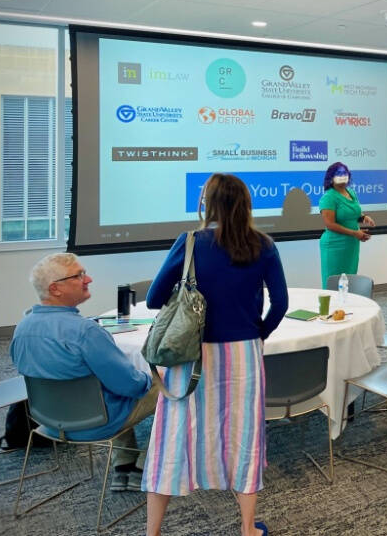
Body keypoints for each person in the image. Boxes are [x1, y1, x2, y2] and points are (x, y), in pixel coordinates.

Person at [143, 173, 288, 536]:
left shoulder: (190, 242)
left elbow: (154, 298)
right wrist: (259, 334)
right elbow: (280, 303)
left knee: (172, 436)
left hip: (192, 356)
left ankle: (153, 532)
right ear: (246, 205)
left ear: (207, 204)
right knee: (244, 435)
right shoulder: (264, 245)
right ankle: (246, 528)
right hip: (244, 356)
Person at [11, 253, 158, 493]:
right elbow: (130, 385)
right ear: (55, 289)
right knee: (171, 386)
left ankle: (123, 462)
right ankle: (145, 465)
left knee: (108, 381)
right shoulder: (86, 332)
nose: (88, 279)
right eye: (79, 275)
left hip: (47, 420)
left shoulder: (22, 328)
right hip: (95, 422)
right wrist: (151, 379)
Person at [318, 161, 375, 286]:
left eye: (345, 173)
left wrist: (364, 217)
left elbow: (352, 214)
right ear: (331, 178)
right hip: (334, 245)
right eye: (339, 173)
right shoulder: (329, 197)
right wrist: (355, 233)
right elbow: (330, 224)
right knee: (333, 283)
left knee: (349, 282)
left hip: (351, 245)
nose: (343, 176)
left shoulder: (351, 193)